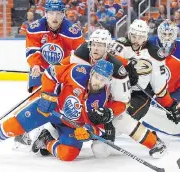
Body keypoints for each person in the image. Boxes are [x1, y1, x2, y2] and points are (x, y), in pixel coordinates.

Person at [38, 29, 167, 159]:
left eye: (100, 45)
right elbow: (62, 67)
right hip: (79, 101)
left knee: (103, 149)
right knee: (54, 99)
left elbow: (122, 103)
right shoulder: (83, 52)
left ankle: (154, 142)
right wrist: (56, 69)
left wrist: (109, 113)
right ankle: (50, 131)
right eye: (94, 44)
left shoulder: (116, 70)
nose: (95, 48)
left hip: (100, 107)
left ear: (108, 48)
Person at [0, 60, 116, 162]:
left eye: (103, 80)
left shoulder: (103, 99)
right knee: (16, 125)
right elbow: (51, 73)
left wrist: (88, 131)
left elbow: (101, 129)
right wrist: (48, 95)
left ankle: (46, 141)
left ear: (108, 81)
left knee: (68, 155)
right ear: (92, 73)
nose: (98, 82)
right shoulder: (78, 71)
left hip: (70, 125)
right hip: (51, 109)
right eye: (96, 77)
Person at [15, 0, 85, 146]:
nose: (55, 17)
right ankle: (24, 130)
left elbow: (79, 56)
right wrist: (35, 65)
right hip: (41, 70)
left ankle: (48, 132)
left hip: (63, 72)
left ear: (63, 14)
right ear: (45, 14)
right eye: (51, 13)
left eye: (59, 13)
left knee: (61, 104)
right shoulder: (35, 28)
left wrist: (62, 71)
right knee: (37, 100)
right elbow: (32, 49)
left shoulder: (73, 31)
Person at [108, 19, 180, 125]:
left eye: (140, 37)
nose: (136, 41)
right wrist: (127, 66)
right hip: (116, 90)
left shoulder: (154, 54)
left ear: (146, 37)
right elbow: (107, 59)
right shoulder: (119, 45)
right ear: (129, 33)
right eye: (133, 36)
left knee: (121, 121)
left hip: (139, 94)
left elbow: (159, 87)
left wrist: (170, 105)